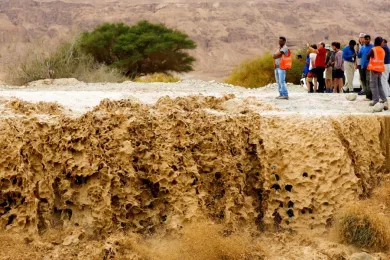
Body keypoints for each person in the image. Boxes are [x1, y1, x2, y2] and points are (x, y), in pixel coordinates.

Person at [366, 36, 388, 110]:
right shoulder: (382, 50)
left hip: (374, 70)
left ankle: (375, 100)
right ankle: (384, 100)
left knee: (373, 86)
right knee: (379, 85)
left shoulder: (373, 49)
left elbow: (367, 56)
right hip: (380, 70)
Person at [359, 35, 374, 100]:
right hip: (362, 66)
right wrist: (357, 52)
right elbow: (359, 56)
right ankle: (366, 94)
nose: (367, 40)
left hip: (369, 66)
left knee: (368, 81)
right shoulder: (362, 47)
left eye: (368, 39)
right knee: (363, 81)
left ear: (370, 40)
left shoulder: (372, 47)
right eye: (366, 39)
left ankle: (369, 96)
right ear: (364, 40)